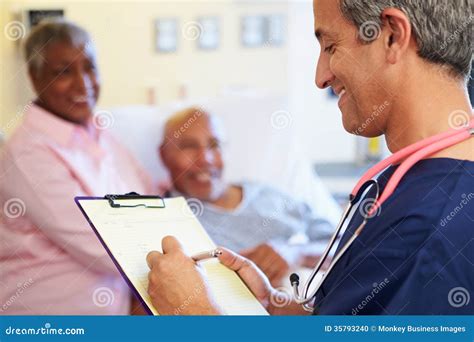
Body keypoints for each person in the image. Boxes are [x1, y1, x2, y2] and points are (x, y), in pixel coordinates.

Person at [146, 0, 473, 315]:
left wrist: (196, 313)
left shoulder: (432, 224)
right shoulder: (408, 184)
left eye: (330, 46)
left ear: (391, 36)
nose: (321, 78)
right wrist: (273, 304)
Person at [0, 19, 153, 314]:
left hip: (128, 302)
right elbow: (103, 247)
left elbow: (152, 200)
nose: (83, 84)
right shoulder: (26, 154)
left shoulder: (100, 133)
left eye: (90, 67)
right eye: (64, 72)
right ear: (34, 77)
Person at [159, 107, 334, 286]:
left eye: (214, 145)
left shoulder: (267, 194)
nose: (206, 159)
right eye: (189, 146)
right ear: (164, 155)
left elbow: (343, 245)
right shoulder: (169, 221)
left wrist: (296, 253)